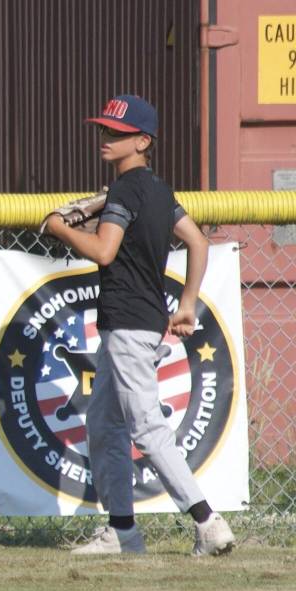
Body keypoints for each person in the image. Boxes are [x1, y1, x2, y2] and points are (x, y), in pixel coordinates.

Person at [43, 94, 236, 557]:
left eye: (117, 133)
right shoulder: (155, 189)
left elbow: (103, 251)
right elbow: (197, 242)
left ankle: (208, 523)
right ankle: (122, 531)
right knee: (104, 422)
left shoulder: (127, 190)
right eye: (104, 130)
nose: (105, 139)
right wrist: (186, 303)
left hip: (128, 322)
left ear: (143, 141)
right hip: (141, 318)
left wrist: (58, 227)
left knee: (146, 427)